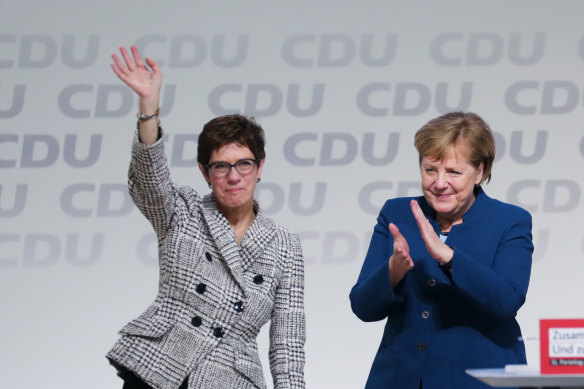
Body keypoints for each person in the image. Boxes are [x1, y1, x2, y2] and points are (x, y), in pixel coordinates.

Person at [106, 46, 305, 389]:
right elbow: (150, 179)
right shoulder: (182, 211)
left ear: (260, 168)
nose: (234, 176)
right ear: (204, 172)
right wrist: (148, 108)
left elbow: (287, 341)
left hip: (230, 378)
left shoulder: (284, 245)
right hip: (161, 367)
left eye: (244, 164)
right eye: (221, 166)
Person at [349, 112, 533, 389]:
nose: (439, 183)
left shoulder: (510, 220)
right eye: (430, 169)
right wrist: (393, 270)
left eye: (454, 172)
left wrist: (448, 257)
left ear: (479, 172)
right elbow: (363, 307)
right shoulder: (397, 213)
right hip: (399, 379)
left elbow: (506, 300)